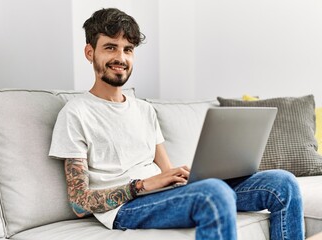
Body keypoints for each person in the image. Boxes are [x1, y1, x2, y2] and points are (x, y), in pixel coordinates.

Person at [49, 8, 304, 240]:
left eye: (128, 49)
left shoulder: (144, 109)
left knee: (283, 183)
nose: (121, 57)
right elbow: (79, 203)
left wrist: (185, 177)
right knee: (213, 194)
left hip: (161, 195)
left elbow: (167, 170)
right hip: (125, 208)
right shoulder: (76, 113)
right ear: (89, 52)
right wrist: (143, 185)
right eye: (110, 47)